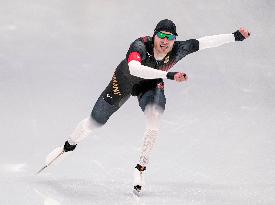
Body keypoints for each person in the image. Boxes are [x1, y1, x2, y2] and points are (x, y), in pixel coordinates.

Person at [45, 19, 250, 195]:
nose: (165, 41)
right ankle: (67, 147)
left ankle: (140, 168)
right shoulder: (140, 45)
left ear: (174, 39)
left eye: (170, 37)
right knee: (94, 122)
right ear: (154, 36)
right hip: (124, 81)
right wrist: (168, 75)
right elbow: (135, 68)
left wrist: (235, 36)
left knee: (154, 121)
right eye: (161, 35)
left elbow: (204, 42)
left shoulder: (180, 48)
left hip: (151, 84)